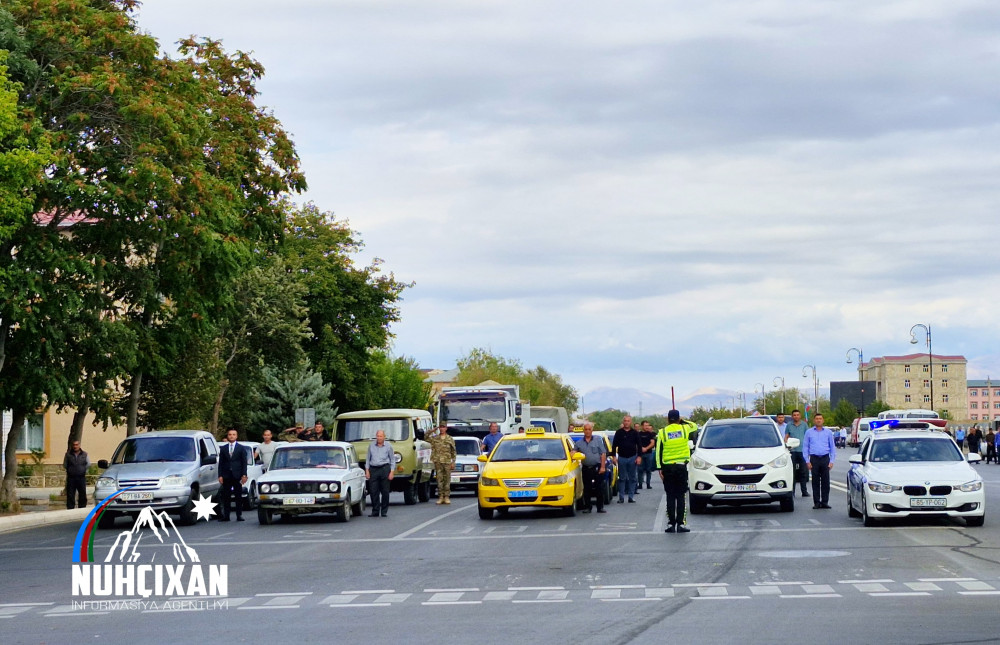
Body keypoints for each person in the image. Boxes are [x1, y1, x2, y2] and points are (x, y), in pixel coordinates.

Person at [656, 410, 696, 533]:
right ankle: (681, 524)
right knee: (681, 496)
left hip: (668, 467)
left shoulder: (662, 432)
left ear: (667, 419)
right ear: (679, 418)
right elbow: (694, 425)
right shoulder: (684, 429)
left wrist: (659, 468)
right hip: (681, 467)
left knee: (670, 496)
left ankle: (671, 524)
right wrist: (682, 421)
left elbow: (658, 451)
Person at [802, 413, 835, 509]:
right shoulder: (809, 432)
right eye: (817, 419)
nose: (818, 420)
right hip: (814, 459)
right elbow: (805, 447)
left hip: (825, 458)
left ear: (823, 420)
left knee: (825, 481)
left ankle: (825, 502)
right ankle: (816, 502)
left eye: (820, 418)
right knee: (815, 482)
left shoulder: (828, 432)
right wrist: (807, 461)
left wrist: (831, 461)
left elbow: (832, 447)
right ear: (814, 420)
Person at [573, 422, 607, 514]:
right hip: (586, 468)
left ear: (592, 430)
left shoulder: (598, 440)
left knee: (599, 488)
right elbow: (573, 452)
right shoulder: (579, 443)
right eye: (586, 429)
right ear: (583, 431)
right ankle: (588, 507)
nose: (587, 431)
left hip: (597, 467)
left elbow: (603, 453)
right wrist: (572, 454)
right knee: (586, 488)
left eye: (589, 429)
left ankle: (600, 507)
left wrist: (603, 467)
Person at [218, 429, 248, 521]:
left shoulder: (241, 448)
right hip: (226, 475)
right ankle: (226, 516)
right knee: (226, 496)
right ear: (228, 436)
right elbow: (221, 463)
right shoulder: (223, 448)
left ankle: (239, 515)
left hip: (237, 475)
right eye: (230, 434)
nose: (231, 436)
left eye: (233, 434)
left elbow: (244, 463)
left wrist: (244, 475)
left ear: (236, 436)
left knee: (238, 496)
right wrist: (220, 475)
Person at [612, 414, 641, 503]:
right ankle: (621, 497)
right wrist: (613, 456)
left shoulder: (635, 433)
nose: (626, 422)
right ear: (623, 422)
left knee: (632, 478)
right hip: (622, 458)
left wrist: (639, 456)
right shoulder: (619, 432)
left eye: (628, 421)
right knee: (622, 478)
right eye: (625, 421)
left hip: (633, 457)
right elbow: (614, 445)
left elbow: (639, 445)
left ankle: (631, 497)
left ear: (630, 422)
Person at [366, 429, 394, 517]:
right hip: (373, 469)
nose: (379, 438)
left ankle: (384, 511)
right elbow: (368, 459)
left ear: (384, 437)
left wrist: (391, 472)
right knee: (373, 491)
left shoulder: (388, 446)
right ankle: (375, 510)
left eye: (381, 436)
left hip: (384, 468)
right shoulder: (371, 446)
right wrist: (367, 470)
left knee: (385, 491)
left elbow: (392, 460)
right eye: (377, 436)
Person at [784, 410, 810, 498]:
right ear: (792, 416)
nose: (796, 416)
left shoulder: (804, 425)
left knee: (803, 472)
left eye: (797, 415)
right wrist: (785, 446)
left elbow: (808, 436)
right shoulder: (789, 425)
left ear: (800, 416)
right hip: (792, 451)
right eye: (794, 415)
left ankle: (804, 491)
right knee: (792, 472)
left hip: (803, 451)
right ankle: (792, 492)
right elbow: (786, 437)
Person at [428, 422, 456, 504]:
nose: (442, 429)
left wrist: (453, 462)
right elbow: (425, 437)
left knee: (447, 479)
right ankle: (441, 496)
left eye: (444, 427)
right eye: (440, 427)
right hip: (438, 461)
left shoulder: (450, 439)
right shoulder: (435, 438)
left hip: (447, 461)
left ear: (446, 428)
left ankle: (446, 496)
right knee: (439, 479)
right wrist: (432, 430)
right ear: (439, 428)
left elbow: (453, 451)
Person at [63, 440, 89, 510]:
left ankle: (82, 507)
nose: (75, 446)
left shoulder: (85, 454)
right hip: (71, 478)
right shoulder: (68, 454)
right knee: (70, 494)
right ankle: (70, 508)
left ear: (79, 445)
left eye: (76, 445)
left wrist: (82, 470)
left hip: (81, 477)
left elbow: (88, 464)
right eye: (74, 445)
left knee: (82, 493)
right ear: (72, 445)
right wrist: (71, 470)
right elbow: (65, 465)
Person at [638, 420, 657, 489]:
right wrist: (641, 448)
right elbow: (636, 443)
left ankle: (648, 484)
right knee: (640, 470)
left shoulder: (650, 434)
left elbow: (652, 443)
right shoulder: (638, 434)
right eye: (645, 425)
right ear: (642, 426)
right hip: (640, 454)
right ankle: (640, 484)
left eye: (648, 425)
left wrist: (646, 448)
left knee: (648, 469)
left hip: (648, 453)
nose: (647, 427)